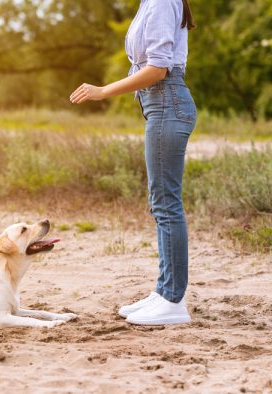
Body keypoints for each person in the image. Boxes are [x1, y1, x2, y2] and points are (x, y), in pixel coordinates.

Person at [69, 0, 196, 325]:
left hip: (167, 101)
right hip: (159, 103)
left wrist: (102, 91)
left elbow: (158, 69)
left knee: (166, 203)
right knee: (160, 202)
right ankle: (164, 292)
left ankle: (173, 301)